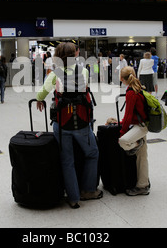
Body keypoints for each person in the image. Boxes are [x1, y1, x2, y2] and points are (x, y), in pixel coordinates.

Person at [36, 42, 101, 209]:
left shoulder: (54, 74)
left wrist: (39, 100)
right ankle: (88, 190)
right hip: (82, 122)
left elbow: (41, 93)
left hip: (62, 122)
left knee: (67, 161)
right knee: (92, 153)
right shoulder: (84, 71)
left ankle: (73, 198)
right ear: (76, 54)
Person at [106, 66, 150, 196]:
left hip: (140, 126)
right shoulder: (139, 87)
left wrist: (121, 132)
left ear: (121, 78)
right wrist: (119, 122)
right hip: (144, 124)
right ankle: (143, 185)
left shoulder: (131, 92)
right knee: (142, 157)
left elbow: (129, 116)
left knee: (123, 141)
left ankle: (137, 144)